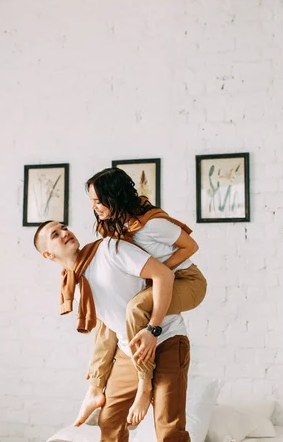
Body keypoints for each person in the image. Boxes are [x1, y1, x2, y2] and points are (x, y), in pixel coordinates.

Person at [34, 220, 203, 442]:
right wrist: (97, 382)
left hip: (165, 340)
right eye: (55, 235)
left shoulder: (109, 250)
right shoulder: (76, 279)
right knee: (110, 420)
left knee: (168, 431)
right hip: (129, 351)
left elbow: (160, 279)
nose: (65, 233)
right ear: (48, 255)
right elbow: (107, 328)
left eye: (64, 227)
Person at [74, 167, 207, 427]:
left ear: (115, 197)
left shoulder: (152, 224)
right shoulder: (116, 226)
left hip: (187, 281)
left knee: (135, 307)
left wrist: (159, 274)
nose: (95, 207)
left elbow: (191, 246)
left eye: (99, 200)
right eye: (92, 200)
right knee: (106, 319)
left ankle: (144, 386)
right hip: (161, 282)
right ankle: (95, 387)